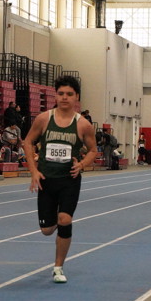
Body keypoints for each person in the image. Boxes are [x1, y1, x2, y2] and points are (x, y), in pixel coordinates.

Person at [23, 75, 97, 284]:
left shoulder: (83, 125)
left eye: (69, 94)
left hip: (69, 180)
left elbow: (93, 150)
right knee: (47, 230)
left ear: (76, 97)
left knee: (65, 220)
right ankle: (55, 222)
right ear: (55, 96)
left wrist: (81, 165)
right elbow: (28, 142)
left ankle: (58, 267)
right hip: (46, 179)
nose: (65, 97)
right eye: (61, 93)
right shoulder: (43, 119)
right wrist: (33, 171)